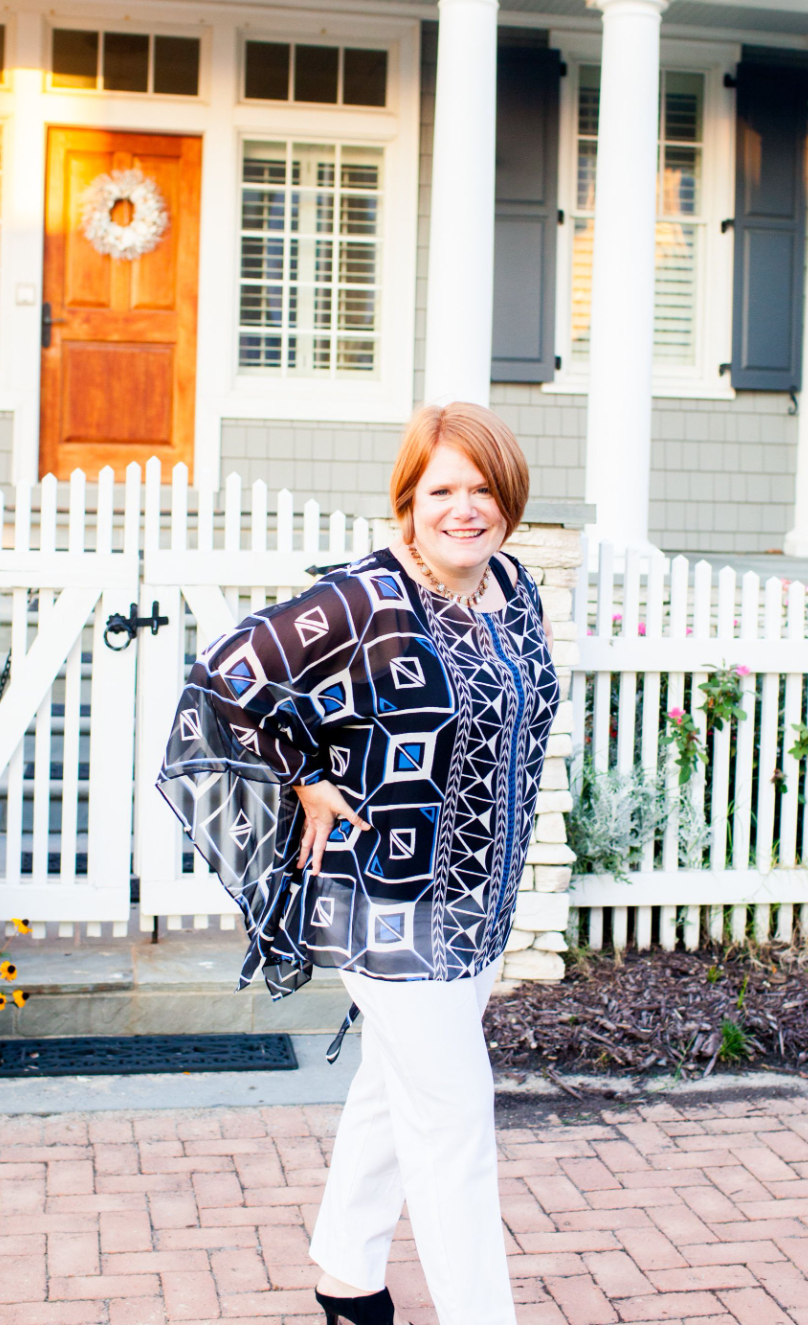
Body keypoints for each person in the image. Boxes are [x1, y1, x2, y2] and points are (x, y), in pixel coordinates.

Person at [157, 402, 560, 1325]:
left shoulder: (513, 590)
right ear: (407, 501)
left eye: (483, 488)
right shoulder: (363, 600)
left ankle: (345, 1274)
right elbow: (227, 675)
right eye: (442, 490)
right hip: (389, 901)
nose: (465, 508)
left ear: (509, 499)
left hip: (478, 899)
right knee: (454, 1121)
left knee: (393, 1087)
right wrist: (303, 779)